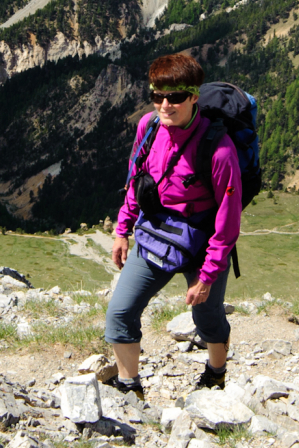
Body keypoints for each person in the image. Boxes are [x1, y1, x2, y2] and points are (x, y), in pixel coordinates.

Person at [102, 53, 243, 399]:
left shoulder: (219, 149)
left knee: (207, 317)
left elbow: (228, 218)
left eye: (176, 97)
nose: (165, 105)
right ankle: (129, 388)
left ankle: (216, 373)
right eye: (157, 95)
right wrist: (123, 229)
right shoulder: (148, 128)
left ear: (194, 96)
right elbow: (137, 179)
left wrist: (207, 275)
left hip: (202, 243)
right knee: (119, 312)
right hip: (155, 232)